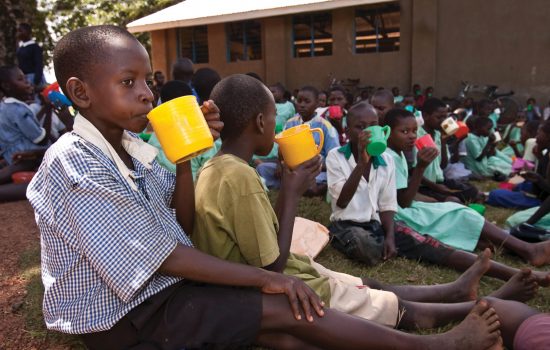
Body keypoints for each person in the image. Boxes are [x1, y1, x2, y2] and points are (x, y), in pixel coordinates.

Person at [25, 24, 451, 350]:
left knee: (281, 329)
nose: (147, 96)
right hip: (124, 319)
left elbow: (180, 223)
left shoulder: (131, 148)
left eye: (146, 83)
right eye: (128, 83)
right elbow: (163, 258)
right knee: (283, 303)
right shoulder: (74, 159)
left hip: (162, 293)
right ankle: (428, 346)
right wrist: (266, 279)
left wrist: (186, 159)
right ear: (80, 93)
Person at [192, 74, 540, 350]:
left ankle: (453, 290)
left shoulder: (220, 167)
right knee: (380, 304)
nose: (276, 126)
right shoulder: (238, 177)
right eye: (272, 118)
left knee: (361, 284)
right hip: (270, 287)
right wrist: (293, 193)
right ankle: (476, 310)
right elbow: (272, 268)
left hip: (275, 277)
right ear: (259, 121)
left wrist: (288, 184)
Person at [326, 103, 550, 287]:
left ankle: (514, 273)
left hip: (379, 224)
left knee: (431, 245)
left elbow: (387, 204)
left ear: (380, 129)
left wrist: (391, 236)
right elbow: (343, 201)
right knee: (366, 247)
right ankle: (373, 243)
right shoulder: (336, 157)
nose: (366, 132)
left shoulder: (385, 160)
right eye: (359, 127)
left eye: (372, 126)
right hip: (348, 224)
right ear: (347, 132)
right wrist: (361, 164)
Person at [385, 108, 550, 267]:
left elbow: (407, 195)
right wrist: (421, 168)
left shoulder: (398, 154)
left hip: (405, 208)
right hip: (399, 216)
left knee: (456, 209)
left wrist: (435, 201)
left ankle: (513, 247)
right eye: (405, 132)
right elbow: (404, 201)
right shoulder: (389, 157)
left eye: (414, 131)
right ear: (386, 132)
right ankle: (528, 250)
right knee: (462, 213)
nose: (412, 136)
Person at [257, 86, 339, 196]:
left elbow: (334, 158)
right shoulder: (290, 123)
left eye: (307, 101)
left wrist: (314, 165)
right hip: (290, 169)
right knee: (262, 169)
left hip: (314, 170)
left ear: (316, 104)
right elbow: (281, 149)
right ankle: (300, 186)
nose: (302, 105)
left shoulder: (325, 126)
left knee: (325, 177)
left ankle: (305, 186)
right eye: (299, 100)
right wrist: (280, 165)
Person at [0, 66, 57, 201]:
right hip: (27, 156)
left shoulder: (5, 107)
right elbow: (41, 139)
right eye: (21, 79)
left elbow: (32, 125)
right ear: (7, 86)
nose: (27, 82)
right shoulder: (18, 110)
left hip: (13, 155)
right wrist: (48, 109)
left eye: (25, 77)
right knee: (38, 182)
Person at [415, 98, 480, 203]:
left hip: (439, 181)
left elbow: (443, 165)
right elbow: (413, 170)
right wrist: (435, 187)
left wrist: (443, 142)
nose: (443, 121)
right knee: (454, 200)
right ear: (425, 116)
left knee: (472, 190)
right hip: (423, 185)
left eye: (445, 117)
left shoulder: (437, 134)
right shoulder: (417, 135)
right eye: (439, 117)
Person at [16, 23, 44, 88]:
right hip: (24, 78)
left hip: (34, 77)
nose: (18, 33)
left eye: (20, 31)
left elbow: (39, 64)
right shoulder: (20, 48)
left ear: (28, 31)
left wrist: (36, 80)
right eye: (17, 31)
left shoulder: (34, 47)